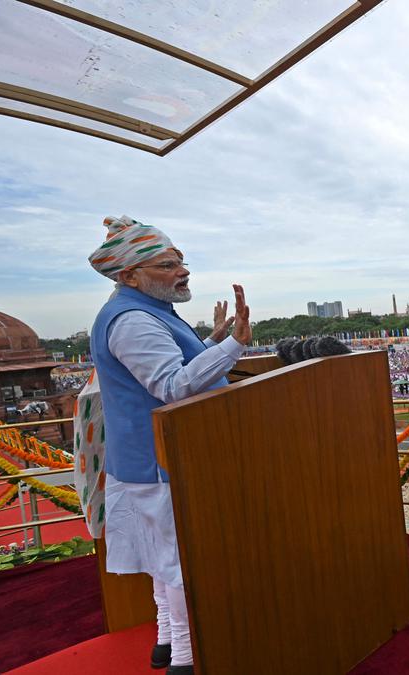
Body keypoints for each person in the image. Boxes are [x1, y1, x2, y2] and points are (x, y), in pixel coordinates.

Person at [86, 216, 250, 674]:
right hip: (161, 464)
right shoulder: (133, 320)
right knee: (177, 561)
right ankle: (185, 656)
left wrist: (214, 339)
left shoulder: (143, 311)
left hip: (148, 460)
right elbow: (172, 386)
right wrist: (235, 344)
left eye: (181, 261)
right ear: (129, 275)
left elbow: (172, 364)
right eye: (167, 264)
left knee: (161, 558)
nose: (183, 271)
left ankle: (165, 641)